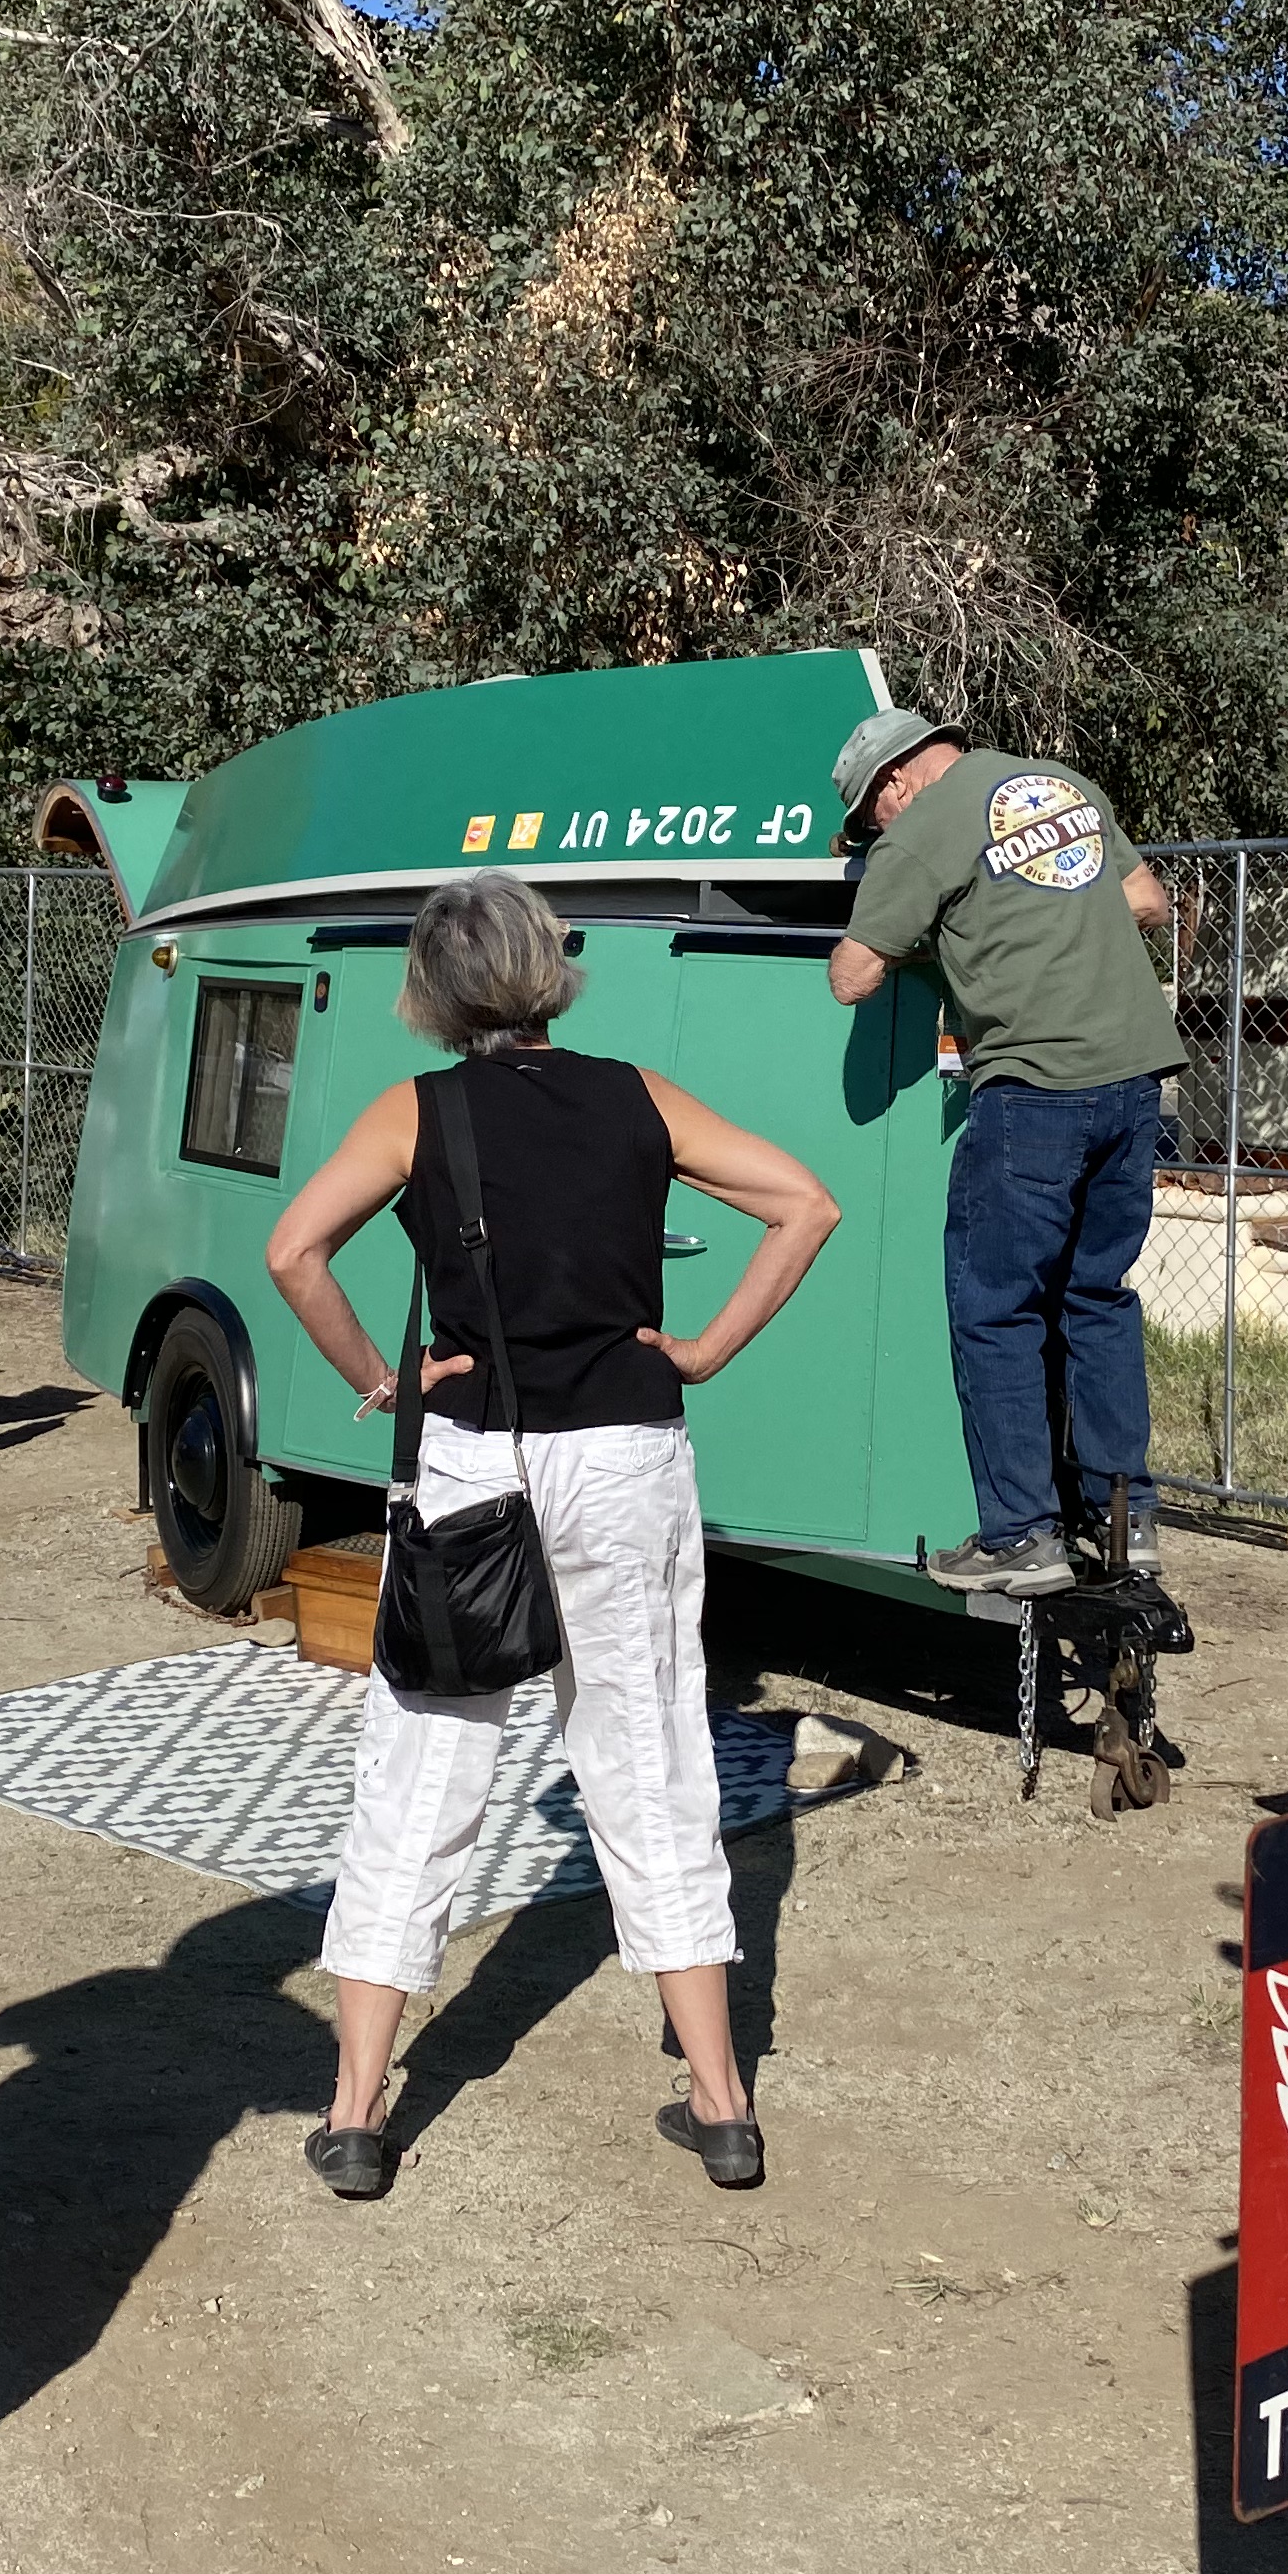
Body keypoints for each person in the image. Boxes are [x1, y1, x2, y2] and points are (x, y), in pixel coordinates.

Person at [263, 872, 839, 2201]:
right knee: (649, 1763)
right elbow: (805, 1203)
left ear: (431, 989)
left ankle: (357, 2113)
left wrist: (380, 1378)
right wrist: (700, 1349)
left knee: (426, 1766)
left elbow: (297, 1252)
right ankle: (721, 2102)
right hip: (632, 1456)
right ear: (547, 973)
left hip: (477, 1461)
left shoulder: (418, 1113)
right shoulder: (639, 1097)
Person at [825, 705, 1183, 1597]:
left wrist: (927, 943)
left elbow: (851, 976)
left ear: (894, 784)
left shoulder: (924, 830)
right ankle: (1125, 1519)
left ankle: (1021, 1535)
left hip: (1034, 1088)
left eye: (872, 820)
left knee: (996, 1308)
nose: (879, 833)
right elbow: (1147, 902)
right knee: (1097, 1296)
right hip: (1137, 1079)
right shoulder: (1061, 785)